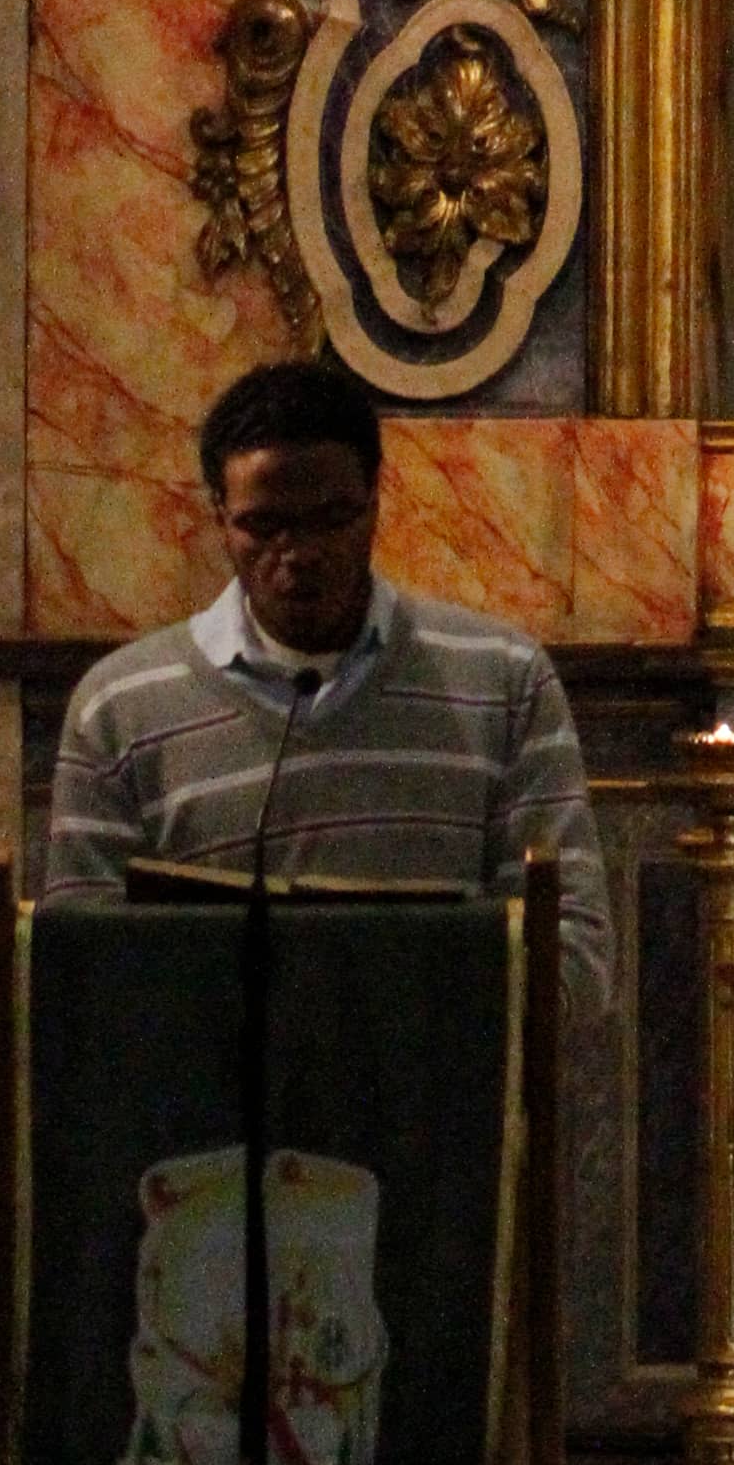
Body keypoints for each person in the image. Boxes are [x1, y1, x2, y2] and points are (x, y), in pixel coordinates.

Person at [44, 359, 612, 1015]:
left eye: (331, 519)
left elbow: (575, 948)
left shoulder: (503, 681)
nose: (299, 553)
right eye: (264, 526)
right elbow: (78, 969)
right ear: (220, 515)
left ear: (375, 502)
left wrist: (403, 1019)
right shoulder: (121, 706)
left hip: (426, 1078)